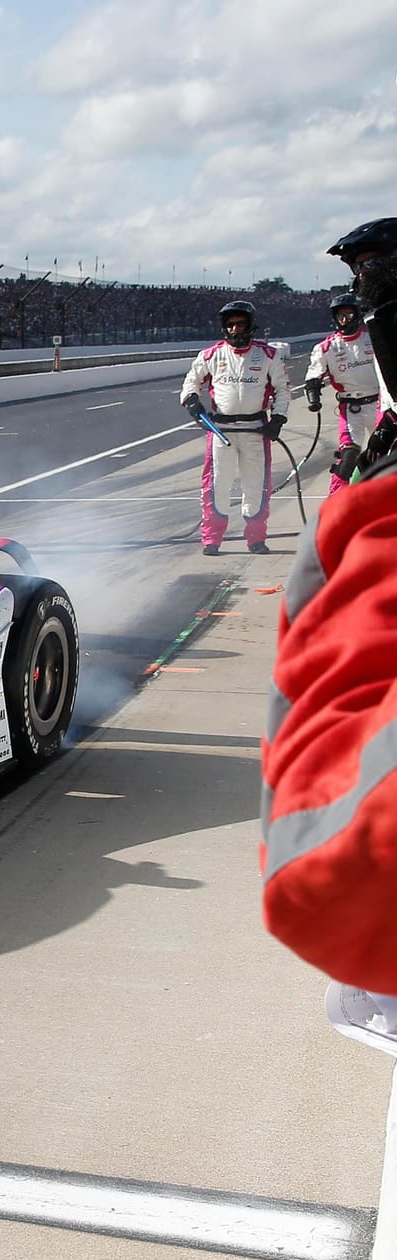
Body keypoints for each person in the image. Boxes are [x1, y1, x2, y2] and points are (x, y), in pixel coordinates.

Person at [261, 217, 397, 1027]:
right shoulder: (371, 333)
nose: (364, 275)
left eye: (376, 260)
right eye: (359, 264)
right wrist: (366, 453)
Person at [179, 300, 291, 555]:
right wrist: (192, 400)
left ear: (251, 326)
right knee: (217, 485)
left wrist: (278, 419)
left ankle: (256, 538)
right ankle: (212, 539)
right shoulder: (211, 354)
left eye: (240, 324)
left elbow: (283, 389)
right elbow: (190, 383)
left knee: (256, 485)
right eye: (230, 325)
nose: (235, 329)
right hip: (220, 431)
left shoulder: (268, 355)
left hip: (256, 430)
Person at [302, 292, 384, 492]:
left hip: (379, 403)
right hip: (350, 408)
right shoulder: (326, 347)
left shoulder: (373, 337)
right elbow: (313, 375)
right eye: (340, 316)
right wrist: (313, 398)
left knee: (387, 453)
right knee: (348, 456)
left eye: (349, 315)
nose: (345, 320)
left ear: (357, 315)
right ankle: (336, 502)